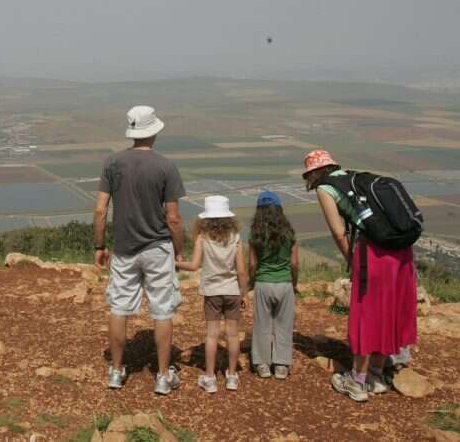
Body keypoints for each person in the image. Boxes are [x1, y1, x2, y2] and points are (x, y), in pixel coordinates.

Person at [302, 149, 417, 402]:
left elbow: (338, 231)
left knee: (366, 314)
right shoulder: (358, 179)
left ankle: (357, 381)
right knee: (389, 311)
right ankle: (376, 374)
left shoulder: (326, 188)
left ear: (314, 173)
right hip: (402, 252)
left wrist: (350, 259)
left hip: (373, 254)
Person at [94, 106, 187, 395]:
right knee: (162, 310)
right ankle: (162, 376)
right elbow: (173, 217)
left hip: (123, 248)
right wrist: (179, 250)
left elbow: (100, 210)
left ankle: (117, 371)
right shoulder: (166, 167)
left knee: (119, 307)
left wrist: (99, 244)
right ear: (154, 131)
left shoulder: (112, 163)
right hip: (158, 247)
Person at [176, 195, 248, 394]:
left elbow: (194, 265)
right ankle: (232, 376)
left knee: (211, 335)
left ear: (206, 219)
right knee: (233, 335)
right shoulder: (235, 237)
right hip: (232, 290)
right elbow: (241, 270)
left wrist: (175, 263)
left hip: (212, 292)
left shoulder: (203, 237)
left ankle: (209, 377)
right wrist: (244, 293)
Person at [248, 190, 298, 380]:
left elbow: (252, 264)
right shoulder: (289, 233)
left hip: (263, 282)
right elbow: (294, 263)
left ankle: (262, 364)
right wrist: (294, 282)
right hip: (284, 282)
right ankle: (282, 365)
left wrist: (251, 283)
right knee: (284, 325)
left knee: (262, 324)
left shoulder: (255, 234)